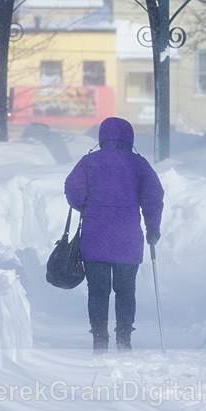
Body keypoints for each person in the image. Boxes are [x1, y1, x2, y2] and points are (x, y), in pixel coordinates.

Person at [64, 116, 164, 352]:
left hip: (94, 237)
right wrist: (153, 228)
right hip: (127, 239)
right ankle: (124, 339)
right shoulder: (138, 164)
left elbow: (72, 188)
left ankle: (99, 338)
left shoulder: (89, 162)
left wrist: (87, 206)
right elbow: (153, 198)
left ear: (102, 137)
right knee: (126, 290)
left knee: (98, 290)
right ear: (129, 137)